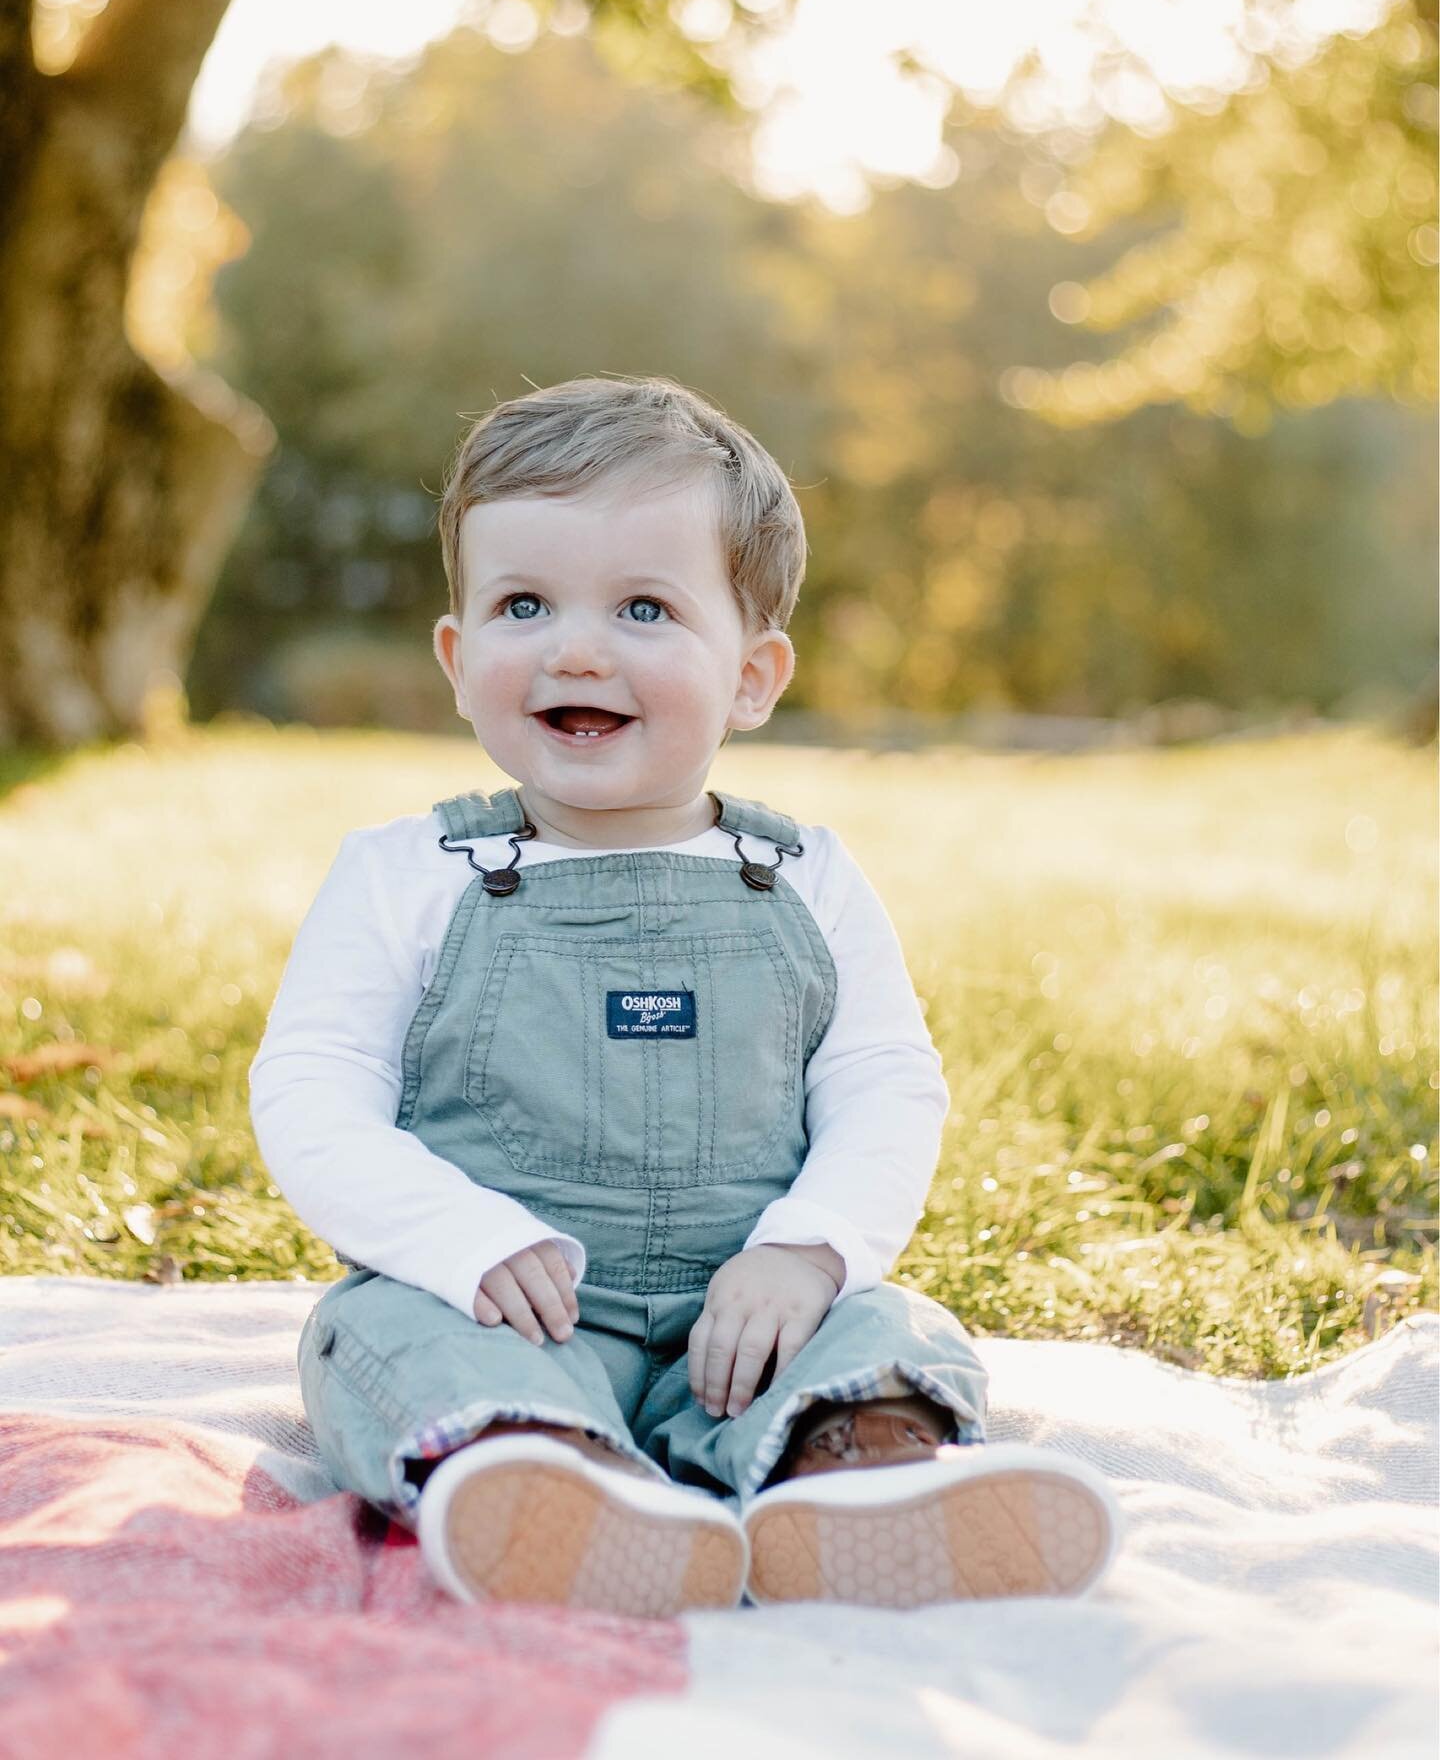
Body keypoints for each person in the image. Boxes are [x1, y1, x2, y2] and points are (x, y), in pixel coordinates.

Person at [249, 374, 1122, 1618]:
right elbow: (311, 1092)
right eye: (523, 604)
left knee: (886, 1327)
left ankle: (860, 1473)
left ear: (755, 675)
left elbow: (883, 1084)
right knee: (375, 1337)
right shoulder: (408, 876)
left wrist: (809, 1255)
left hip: (752, 1310)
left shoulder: (806, 877)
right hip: (501, 1303)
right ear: (458, 657)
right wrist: (456, 1239)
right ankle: (552, 1481)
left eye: (645, 607)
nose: (576, 647)